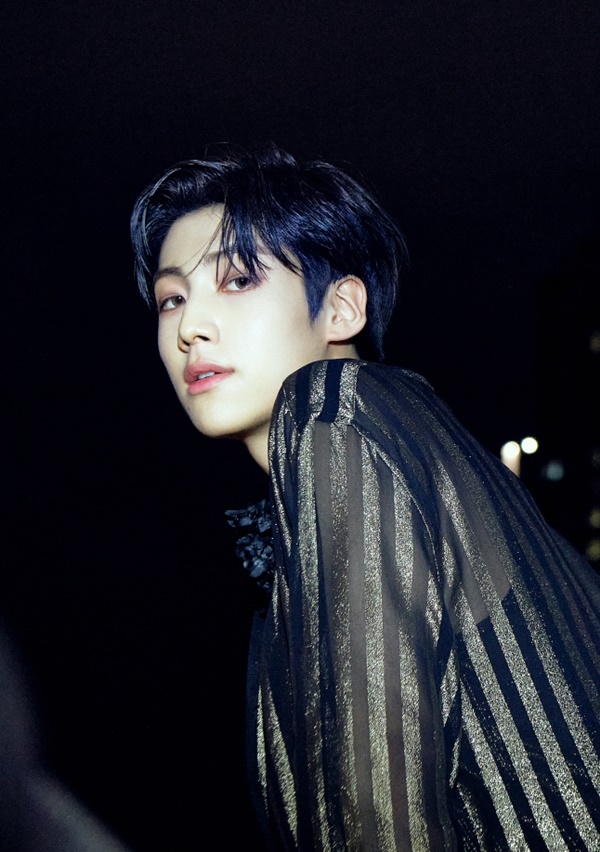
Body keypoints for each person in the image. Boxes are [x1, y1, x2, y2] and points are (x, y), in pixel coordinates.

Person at [130, 145, 600, 850]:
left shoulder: (333, 412)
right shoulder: (406, 447)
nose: (189, 327)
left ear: (342, 307)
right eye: (172, 298)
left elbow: (375, 818)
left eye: (238, 279)